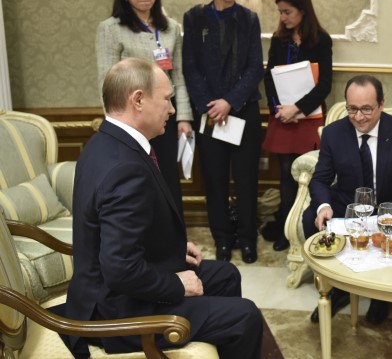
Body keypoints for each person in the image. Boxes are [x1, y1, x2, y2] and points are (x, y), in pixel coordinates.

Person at [65, 58, 273, 358]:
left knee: (227, 274)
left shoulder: (103, 143)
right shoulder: (124, 168)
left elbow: (118, 231)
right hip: (117, 309)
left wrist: (171, 247)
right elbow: (120, 269)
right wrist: (176, 283)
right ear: (138, 99)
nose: (173, 109)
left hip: (112, 288)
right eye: (166, 99)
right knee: (245, 315)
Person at [304, 74, 392, 324]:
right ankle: (337, 289)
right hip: (348, 204)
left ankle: (381, 296)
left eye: (367, 109)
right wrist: (323, 206)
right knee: (311, 217)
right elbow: (320, 178)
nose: (359, 117)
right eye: (352, 109)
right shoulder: (334, 133)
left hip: (391, 205)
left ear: (382, 104)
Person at [182, 0, 264, 263]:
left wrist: (229, 101)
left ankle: (247, 240)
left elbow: (255, 68)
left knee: (246, 180)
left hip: (243, 111)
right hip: (209, 115)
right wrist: (210, 105)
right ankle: (223, 239)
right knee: (215, 181)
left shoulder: (249, 19)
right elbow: (189, 67)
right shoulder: (195, 18)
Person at [95, 0, 192, 211]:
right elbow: (107, 81)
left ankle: (175, 244)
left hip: (164, 118)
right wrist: (116, 125)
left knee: (168, 180)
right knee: (139, 183)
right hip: (132, 123)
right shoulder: (110, 29)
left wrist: (183, 117)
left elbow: (178, 77)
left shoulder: (171, 28)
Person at [261, 0, 332, 252]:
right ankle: (285, 231)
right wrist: (279, 108)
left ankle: (307, 228)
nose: (283, 18)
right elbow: (269, 77)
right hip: (283, 117)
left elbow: (324, 84)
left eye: (287, 12)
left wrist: (298, 109)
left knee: (310, 176)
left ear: (303, 10)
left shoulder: (321, 40)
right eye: (280, 12)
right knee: (286, 176)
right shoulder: (279, 40)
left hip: (309, 117)